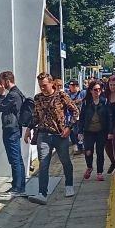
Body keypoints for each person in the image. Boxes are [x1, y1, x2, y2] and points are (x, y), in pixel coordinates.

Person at [25, 71, 77, 204]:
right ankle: (42, 193)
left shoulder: (61, 95)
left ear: (52, 83)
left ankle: (69, 185)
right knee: (43, 164)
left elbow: (75, 111)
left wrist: (68, 127)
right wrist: (28, 129)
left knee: (65, 161)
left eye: (44, 85)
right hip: (44, 134)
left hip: (60, 134)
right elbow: (35, 116)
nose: (42, 88)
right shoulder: (38, 98)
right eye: (40, 85)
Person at [0, 71, 26, 196]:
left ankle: (18, 187)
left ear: (7, 81)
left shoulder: (13, 95)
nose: (0, 84)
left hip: (11, 128)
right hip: (12, 128)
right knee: (16, 158)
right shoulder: (15, 93)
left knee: (15, 158)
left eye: (1, 81)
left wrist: (1, 94)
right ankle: (18, 184)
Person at [80, 79, 109, 180]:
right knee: (88, 151)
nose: (97, 92)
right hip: (89, 131)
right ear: (91, 91)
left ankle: (99, 172)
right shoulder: (86, 103)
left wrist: (110, 131)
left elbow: (109, 117)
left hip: (101, 131)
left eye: (99, 90)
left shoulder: (104, 101)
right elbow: (82, 117)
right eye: (95, 90)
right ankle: (89, 167)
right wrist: (80, 132)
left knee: (100, 151)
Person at [67, 79, 84, 153]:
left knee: (80, 132)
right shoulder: (68, 95)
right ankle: (77, 147)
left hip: (81, 116)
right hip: (72, 117)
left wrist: (81, 100)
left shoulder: (82, 93)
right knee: (74, 132)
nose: (70, 88)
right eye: (70, 86)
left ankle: (81, 147)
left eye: (71, 86)